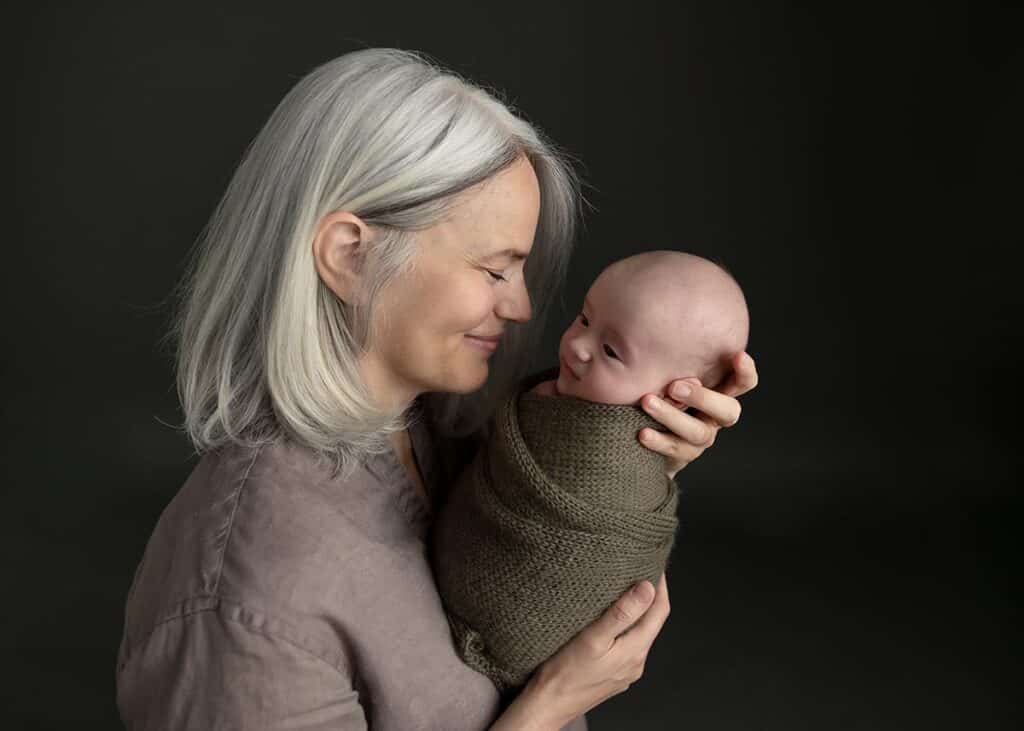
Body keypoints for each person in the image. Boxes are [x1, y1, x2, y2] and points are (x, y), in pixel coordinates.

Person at [115, 48, 759, 730]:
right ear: (348, 254)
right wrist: (549, 708)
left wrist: (629, 456)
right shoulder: (250, 597)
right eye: (493, 270)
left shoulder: (443, 432)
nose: (519, 309)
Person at [430, 250, 750, 696]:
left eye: (611, 351)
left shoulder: (616, 455)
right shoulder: (571, 404)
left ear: (677, 396)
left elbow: (605, 524)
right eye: (584, 319)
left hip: (520, 619)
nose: (578, 346)